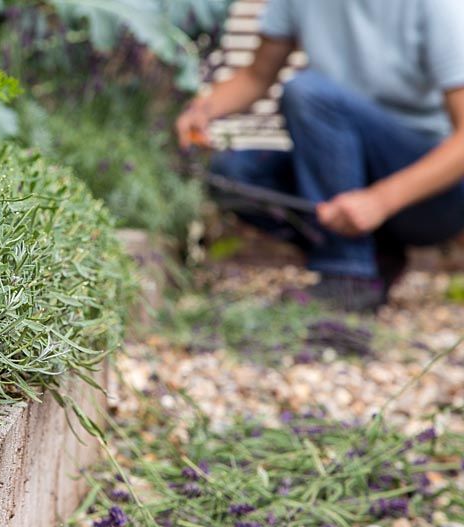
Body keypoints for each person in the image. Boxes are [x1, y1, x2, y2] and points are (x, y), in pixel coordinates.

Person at [176, 0, 464, 312]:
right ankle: (375, 257)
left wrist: (380, 200)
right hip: (341, 174)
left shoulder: (435, 6)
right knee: (231, 173)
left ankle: (346, 274)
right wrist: (200, 111)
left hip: (432, 197)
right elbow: (257, 77)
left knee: (308, 92)